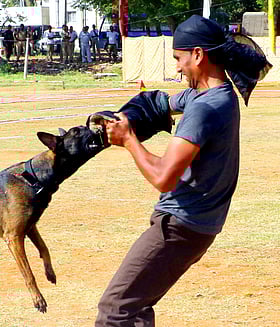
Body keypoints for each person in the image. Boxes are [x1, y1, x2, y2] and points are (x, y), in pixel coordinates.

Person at [95, 14, 271, 326]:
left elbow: (164, 177)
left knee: (115, 309)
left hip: (179, 227)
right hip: (195, 226)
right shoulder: (216, 95)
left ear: (199, 55)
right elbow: (162, 103)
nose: (177, 67)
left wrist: (129, 139)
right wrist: (127, 115)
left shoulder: (206, 108)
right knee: (135, 307)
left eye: (179, 58)